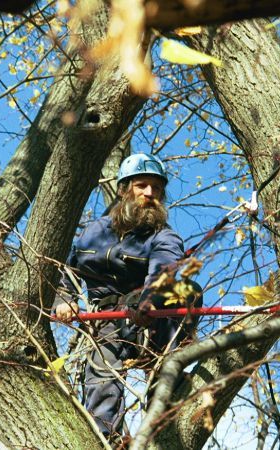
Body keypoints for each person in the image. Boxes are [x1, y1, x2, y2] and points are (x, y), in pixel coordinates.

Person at [53, 153, 203, 437]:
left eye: (156, 189)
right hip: (105, 321)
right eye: (142, 186)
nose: (150, 194)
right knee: (101, 386)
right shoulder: (93, 233)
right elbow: (66, 273)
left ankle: (163, 418)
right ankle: (108, 440)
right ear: (124, 190)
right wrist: (65, 300)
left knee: (187, 292)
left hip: (152, 317)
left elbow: (164, 269)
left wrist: (149, 300)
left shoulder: (163, 235)